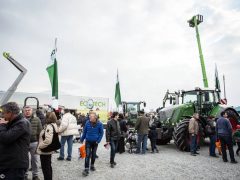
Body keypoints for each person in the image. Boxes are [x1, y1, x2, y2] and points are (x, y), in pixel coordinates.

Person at [0, 102, 31, 180]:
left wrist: (2, 125)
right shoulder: (13, 122)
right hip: (9, 163)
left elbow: (6, 138)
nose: (2, 116)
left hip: (15, 166)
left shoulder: (22, 123)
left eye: (3, 113)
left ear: (10, 113)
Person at [36, 112, 59, 180]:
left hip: (45, 150)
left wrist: (40, 146)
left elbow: (48, 140)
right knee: (48, 166)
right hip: (48, 149)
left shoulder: (49, 126)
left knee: (45, 168)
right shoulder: (53, 125)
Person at [80, 111, 104, 176]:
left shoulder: (100, 124)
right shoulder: (87, 122)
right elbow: (84, 132)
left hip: (95, 142)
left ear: (95, 117)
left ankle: (92, 165)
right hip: (88, 141)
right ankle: (86, 169)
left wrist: (98, 141)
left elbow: (101, 133)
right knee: (87, 155)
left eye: (91, 116)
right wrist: (82, 139)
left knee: (93, 155)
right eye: (89, 116)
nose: (89, 117)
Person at [23, 106, 43, 180]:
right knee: (25, 160)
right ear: (23, 111)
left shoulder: (37, 119)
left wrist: (39, 143)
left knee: (35, 160)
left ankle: (35, 175)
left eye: (29, 110)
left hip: (34, 142)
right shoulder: (21, 119)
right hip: (23, 143)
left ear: (32, 111)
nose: (27, 111)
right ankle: (25, 174)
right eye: (26, 110)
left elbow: (40, 131)